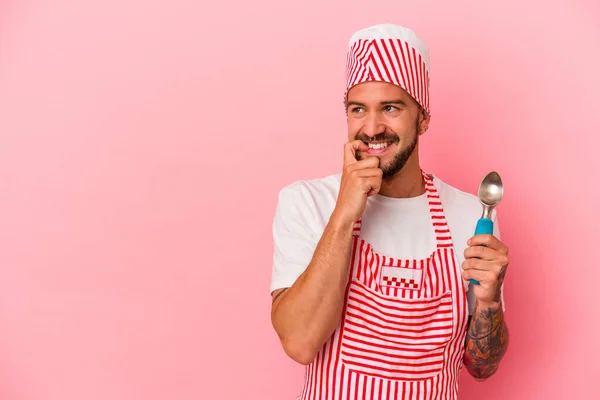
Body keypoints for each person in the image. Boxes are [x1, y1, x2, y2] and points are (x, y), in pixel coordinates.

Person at [269, 23, 510, 399]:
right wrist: (346, 211)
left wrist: (490, 301)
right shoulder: (307, 202)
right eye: (358, 109)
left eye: (391, 107)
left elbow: (482, 367)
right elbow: (300, 343)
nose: (372, 127)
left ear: (423, 119)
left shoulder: (471, 215)